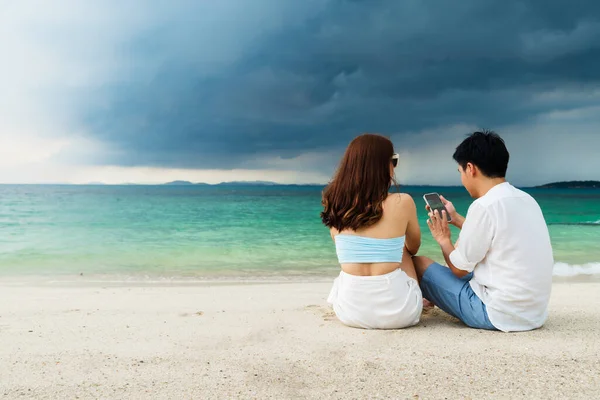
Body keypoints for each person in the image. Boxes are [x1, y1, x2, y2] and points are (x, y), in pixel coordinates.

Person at [413, 131, 554, 332]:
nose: (462, 178)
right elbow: (496, 234)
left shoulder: (484, 206)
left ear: (470, 168)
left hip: (496, 313)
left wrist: (442, 238)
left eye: (460, 172)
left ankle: (417, 302)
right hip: (535, 314)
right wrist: (457, 219)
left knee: (420, 262)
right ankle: (429, 296)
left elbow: (459, 269)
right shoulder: (526, 200)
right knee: (465, 262)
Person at [322, 133, 423, 329]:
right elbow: (414, 247)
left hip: (350, 312)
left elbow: (341, 247)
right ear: (383, 166)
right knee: (401, 248)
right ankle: (412, 296)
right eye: (393, 161)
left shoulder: (334, 203)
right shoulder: (403, 202)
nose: (394, 167)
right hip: (400, 313)